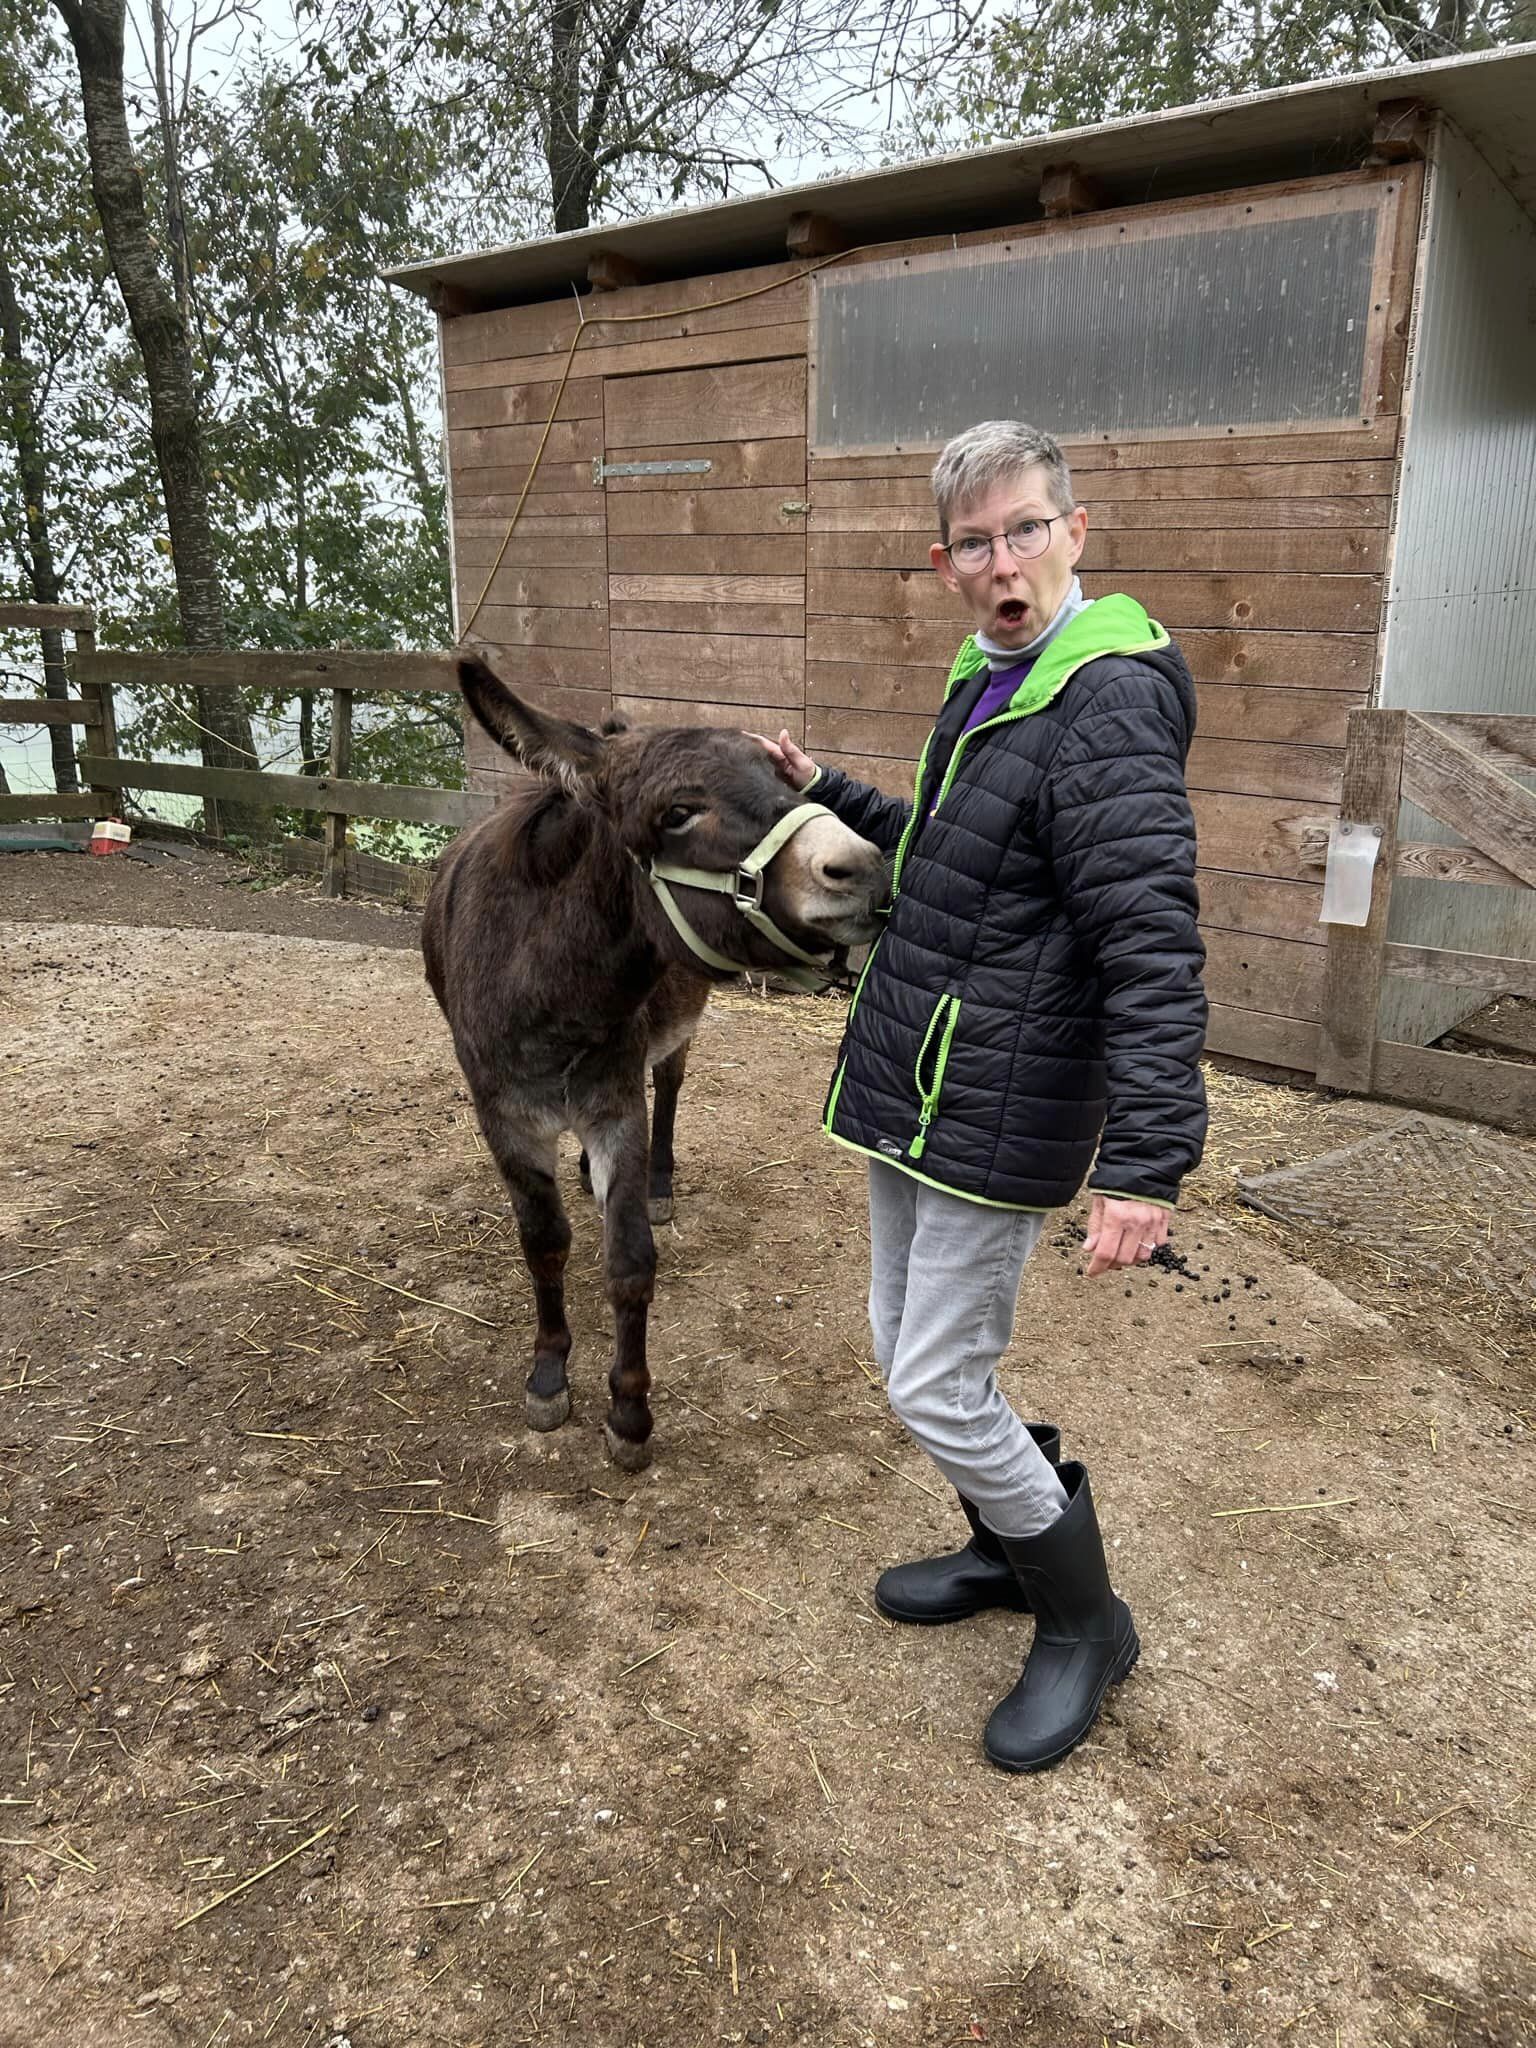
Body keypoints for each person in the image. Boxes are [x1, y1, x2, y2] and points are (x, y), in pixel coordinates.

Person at [754, 420, 1207, 1773]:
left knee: (938, 1385)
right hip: (925, 1072)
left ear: (1075, 531)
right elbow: (959, 854)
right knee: (910, 1350)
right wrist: (828, 792)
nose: (1000, 561)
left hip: (1003, 1096)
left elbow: (1150, 938)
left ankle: (1086, 1619)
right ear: (944, 564)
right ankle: (1006, 1550)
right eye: (973, 542)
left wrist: (1147, 1161)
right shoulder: (995, 676)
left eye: (1024, 529)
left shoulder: (1102, 699)